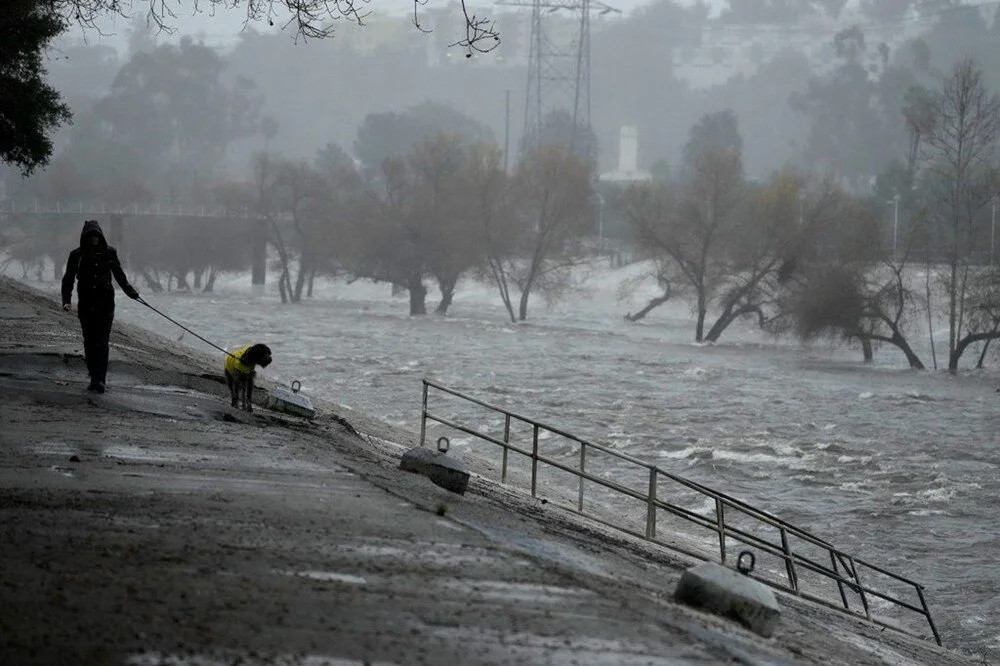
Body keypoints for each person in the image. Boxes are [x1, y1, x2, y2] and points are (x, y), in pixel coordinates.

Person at [61, 220, 139, 393]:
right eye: (91, 236)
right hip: (86, 304)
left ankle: (100, 379)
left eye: (96, 236)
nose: (94, 239)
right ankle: (93, 375)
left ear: (101, 236)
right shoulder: (76, 255)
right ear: (85, 238)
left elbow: (119, 274)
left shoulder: (109, 253)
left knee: (102, 342)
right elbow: (68, 278)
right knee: (89, 341)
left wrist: (131, 292)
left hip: (105, 304)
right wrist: (66, 300)